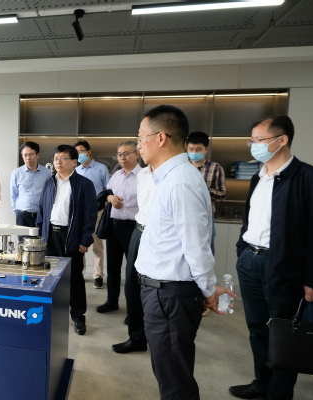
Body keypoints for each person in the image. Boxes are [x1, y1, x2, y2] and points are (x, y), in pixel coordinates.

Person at [135, 105, 234, 399]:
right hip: (163, 292)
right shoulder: (170, 177)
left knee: (175, 380)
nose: (138, 144)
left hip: (169, 295)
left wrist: (208, 291)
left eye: (141, 137)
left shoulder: (180, 182)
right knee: (170, 370)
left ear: (161, 137)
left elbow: (196, 247)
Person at [229, 115, 313, 400]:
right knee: (257, 328)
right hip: (250, 261)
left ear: (282, 140)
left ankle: (278, 394)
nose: (253, 146)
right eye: (252, 141)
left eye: (259, 140)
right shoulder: (258, 176)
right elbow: (250, 220)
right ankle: (261, 383)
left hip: (283, 266)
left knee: (283, 332)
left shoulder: (308, 177)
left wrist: (312, 279)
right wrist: (242, 249)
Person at [36, 145, 97, 335]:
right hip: (50, 235)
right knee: (50, 277)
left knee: (74, 278)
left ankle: (78, 317)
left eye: (63, 158)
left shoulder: (84, 184)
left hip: (71, 236)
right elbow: (41, 210)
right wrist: (41, 235)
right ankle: (52, 314)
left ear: (74, 161)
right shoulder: (49, 182)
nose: (58, 162)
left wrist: (85, 239)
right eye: (56, 158)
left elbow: (90, 215)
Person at [112, 162, 155, 354]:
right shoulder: (143, 174)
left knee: (156, 289)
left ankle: (157, 338)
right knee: (132, 284)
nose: (140, 147)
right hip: (139, 230)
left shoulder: (176, 174)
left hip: (158, 233)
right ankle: (137, 338)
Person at [96, 141, 140, 314]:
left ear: (136, 154)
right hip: (114, 226)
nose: (122, 157)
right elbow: (107, 194)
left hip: (133, 228)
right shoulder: (116, 175)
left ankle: (133, 310)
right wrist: (110, 198)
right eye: (119, 154)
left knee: (133, 271)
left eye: (126, 153)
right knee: (113, 268)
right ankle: (112, 301)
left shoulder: (144, 176)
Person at [74, 140, 110, 287]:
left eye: (81, 152)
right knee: (79, 244)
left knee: (96, 244)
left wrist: (103, 207)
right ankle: (80, 272)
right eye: (76, 153)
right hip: (80, 212)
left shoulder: (101, 168)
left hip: (96, 211)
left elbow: (107, 190)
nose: (79, 155)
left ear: (89, 152)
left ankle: (98, 275)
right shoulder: (76, 170)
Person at [186, 131, 226, 255]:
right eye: (191, 149)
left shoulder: (216, 168)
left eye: (198, 149)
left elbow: (222, 195)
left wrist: (204, 190)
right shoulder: (183, 167)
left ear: (206, 149)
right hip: (184, 215)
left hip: (205, 216)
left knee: (206, 251)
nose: (194, 152)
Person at [10, 142, 52, 240]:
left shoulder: (47, 173)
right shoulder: (16, 173)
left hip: (41, 215)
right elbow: (13, 194)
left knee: (41, 243)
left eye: (31, 154)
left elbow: (49, 194)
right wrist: (16, 212)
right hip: (23, 215)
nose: (28, 158)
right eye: (25, 155)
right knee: (23, 244)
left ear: (37, 155)